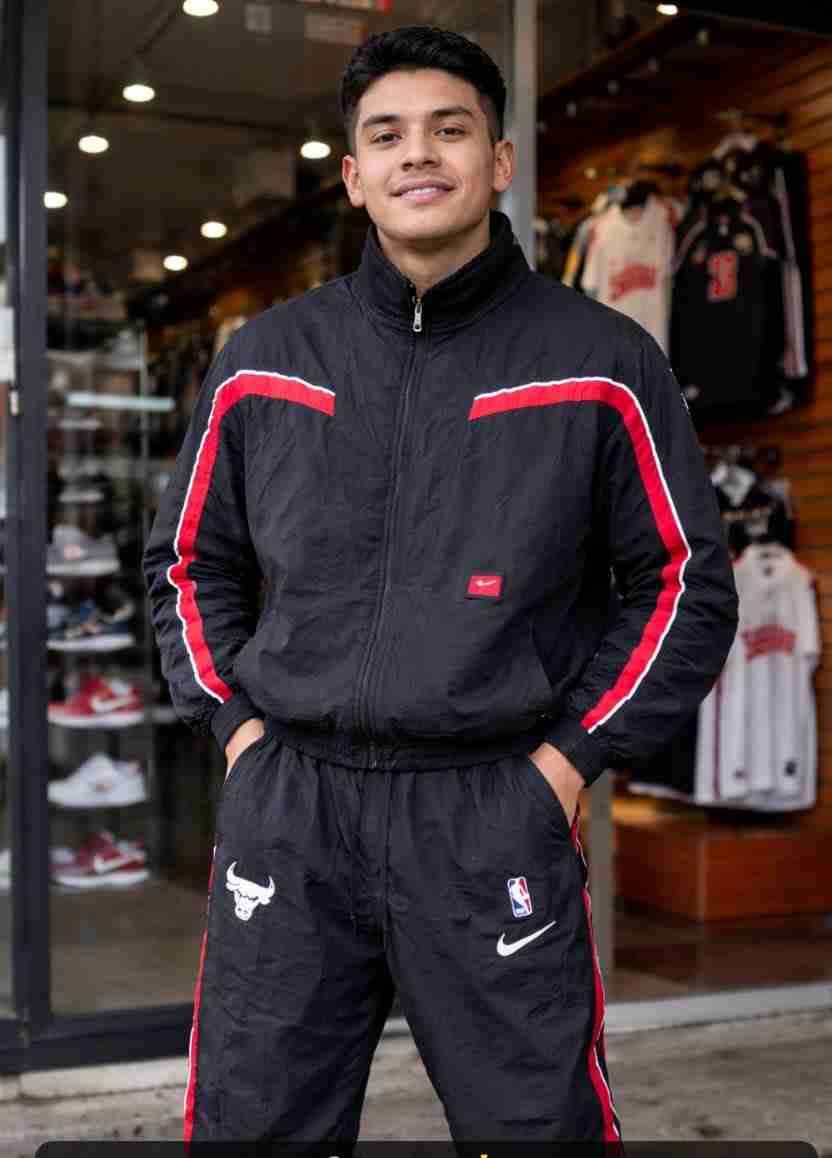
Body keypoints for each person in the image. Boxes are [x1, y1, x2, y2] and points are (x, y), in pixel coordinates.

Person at [143, 25, 738, 1145]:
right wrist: (238, 735)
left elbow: (683, 583)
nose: (418, 154)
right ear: (353, 174)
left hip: (490, 812)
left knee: (533, 1133)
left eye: (449, 129)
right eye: (387, 135)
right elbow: (187, 562)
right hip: (292, 809)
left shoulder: (601, 360)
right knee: (255, 1132)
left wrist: (564, 764)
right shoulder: (264, 358)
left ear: (499, 161)